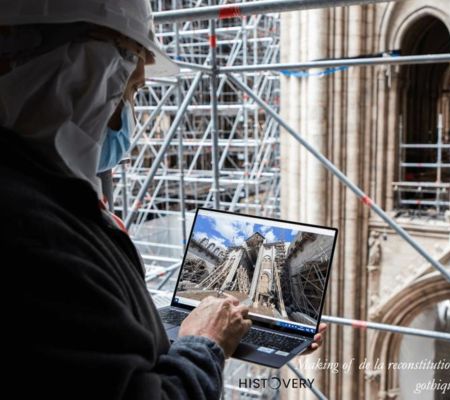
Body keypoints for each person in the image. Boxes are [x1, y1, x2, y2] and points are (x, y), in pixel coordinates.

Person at [0, 1, 324, 399]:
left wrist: (218, 328)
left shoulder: (38, 195)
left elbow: (82, 345)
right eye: (130, 90)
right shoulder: (34, 228)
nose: (125, 114)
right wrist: (205, 345)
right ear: (82, 76)